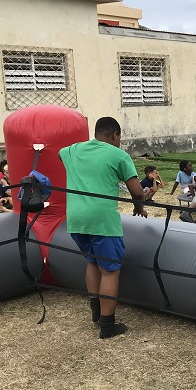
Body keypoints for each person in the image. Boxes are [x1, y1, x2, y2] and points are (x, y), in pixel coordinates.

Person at [58, 116, 148, 339]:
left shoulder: (72, 150)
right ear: (115, 135)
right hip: (102, 221)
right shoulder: (119, 155)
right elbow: (137, 192)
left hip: (76, 219)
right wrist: (139, 207)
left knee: (92, 262)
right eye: (119, 138)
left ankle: (96, 312)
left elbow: (60, 153)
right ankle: (108, 325)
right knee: (110, 271)